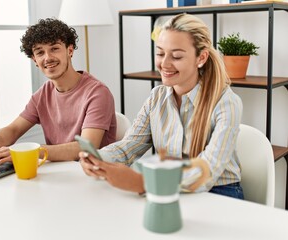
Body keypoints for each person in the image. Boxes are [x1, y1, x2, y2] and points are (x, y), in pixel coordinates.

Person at [79, 13, 244, 199]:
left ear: (201, 58)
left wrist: (144, 183)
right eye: (160, 53)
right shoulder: (156, 98)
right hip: (168, 188)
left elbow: (209, 170)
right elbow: (129, 146)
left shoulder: (226, 102)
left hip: (219, 193)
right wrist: (98, 158)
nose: (164, 64)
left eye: (176, 56)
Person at [0, 18, 116, 170]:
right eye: (40, 52)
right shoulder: (41, 95)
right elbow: (14, 129)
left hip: (94, 175)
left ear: (69, 50)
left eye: (54, 48)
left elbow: (86, 148)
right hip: (58, 173)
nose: (47, 58)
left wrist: (29, 152)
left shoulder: (98, 93)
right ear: (34, 59)